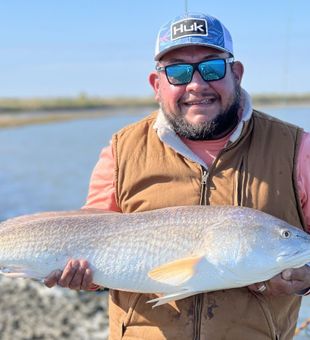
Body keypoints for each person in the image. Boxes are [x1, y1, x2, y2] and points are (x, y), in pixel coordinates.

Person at [45, 12, 310, 340]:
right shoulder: (121, 150)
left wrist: (307, 277)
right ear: (157, 85)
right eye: (178, 72)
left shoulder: (298, 148)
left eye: (212, 68)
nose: (197, 85)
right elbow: (91, 242)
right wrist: (86, 278)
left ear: (236, 74)